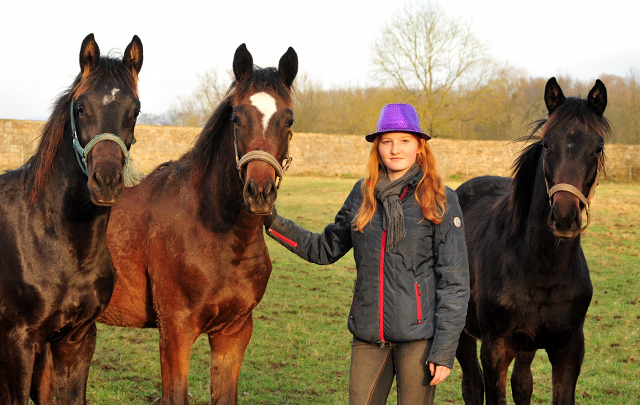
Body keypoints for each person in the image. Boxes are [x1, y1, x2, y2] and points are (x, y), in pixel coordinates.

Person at [264, 103, 470, 405]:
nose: (395, 149)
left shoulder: (440, 198)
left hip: (419, 339)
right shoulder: (362, 194)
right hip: (368, 336)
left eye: (404, 141)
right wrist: (272, 220)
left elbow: (455, 282)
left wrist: (444, 351)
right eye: (387, 141)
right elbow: (324, 248)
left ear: (419, 147)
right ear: (377, 147)